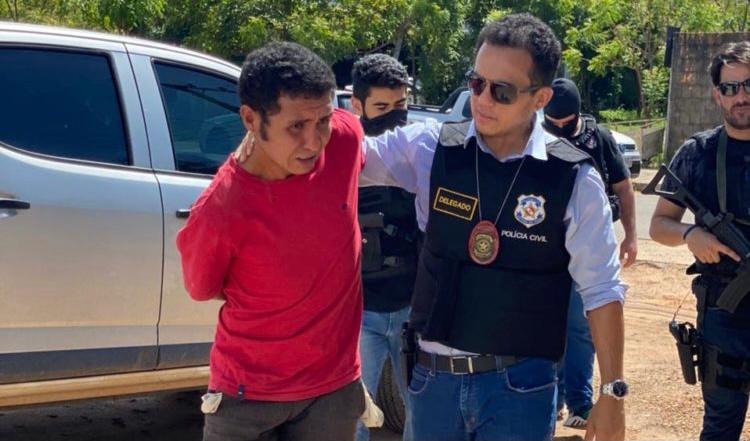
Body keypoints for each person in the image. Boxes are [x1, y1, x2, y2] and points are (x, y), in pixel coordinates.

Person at [359, 13, 627, 441]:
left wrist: (612, 393)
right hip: (434, 382)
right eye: (476, 82)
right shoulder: (430, 148)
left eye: (501, 91)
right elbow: (351, 157)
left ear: (540, 98)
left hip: (520, 389)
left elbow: (602, 290)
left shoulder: (573, 179)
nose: (482, 100)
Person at [176, 41, 367, 441]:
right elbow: (201, 288)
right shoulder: (222, 207)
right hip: (247, 398)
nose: (314, 142)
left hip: (333, 391)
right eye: (296, 127)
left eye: (322, 121)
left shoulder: (345, 140)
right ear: (250, 119)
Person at [650, 41, 750, 441]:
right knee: (721, 423)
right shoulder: (698, 153)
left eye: (749, 85)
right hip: (723, 309)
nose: (741, 96)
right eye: (730, 88)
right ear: (716, 94)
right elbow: (659, 224)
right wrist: (691, 235)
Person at [543, 78, 637, 429]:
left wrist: (631, 237)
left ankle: (580, 403)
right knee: (548, 325)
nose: (560, 128)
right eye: (553, 123)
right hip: (547, 248)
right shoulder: (535, 135)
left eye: (566, 123)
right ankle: (551, 401)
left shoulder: (600, 139)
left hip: (590, 246)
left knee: (581, 328)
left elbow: (624, 189)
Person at [350, 53, 418, 441]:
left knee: (421, 412)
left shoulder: (422, 151)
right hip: (361, 310)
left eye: (401, 105)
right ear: (357, 106)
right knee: (354, 413)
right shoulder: (342, 155)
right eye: (381, 108)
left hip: (413, 308)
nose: (394, 117)